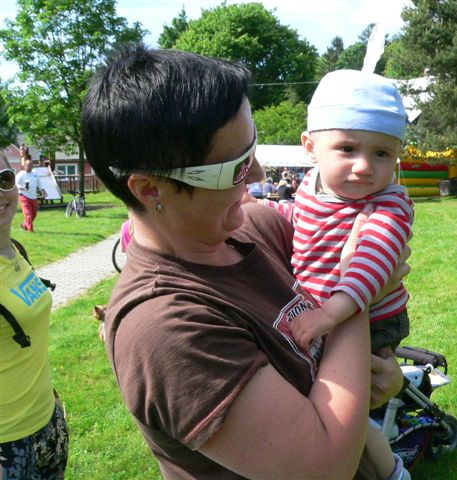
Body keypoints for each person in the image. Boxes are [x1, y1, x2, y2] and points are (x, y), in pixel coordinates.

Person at [81, 44, 406, 480]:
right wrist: (355, 295)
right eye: (235, 167)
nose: (258, 176)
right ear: (151, 189)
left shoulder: (258, 228)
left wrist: (382, 375)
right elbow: (324, 469)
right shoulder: (165, 329)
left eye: (251, 150)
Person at [263, 69, 414, 477]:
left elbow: (372, 262)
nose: (364, 167)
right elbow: (298, 219)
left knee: (346, 408)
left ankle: (392, 472)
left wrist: (330, 313)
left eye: (382, 154)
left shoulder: (387, 207)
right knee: (325, 405)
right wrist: (260, 209)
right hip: (321, 315)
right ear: (311, 148)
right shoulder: (311, 188)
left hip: (370, 318)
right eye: (347, 148)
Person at [0, 152, 69, 479]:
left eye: (3, 179)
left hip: (47, 420)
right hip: (7, 441)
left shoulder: (16, 249)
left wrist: (50, 399)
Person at [15, 158, 44, 232]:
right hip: (24, 196)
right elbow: (16, 184)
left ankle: (24, 225)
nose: (30, 167)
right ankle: (30, 229)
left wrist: (42, 191)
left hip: (33, 196)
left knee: (34, 214)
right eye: (28, 165)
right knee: (28, 214)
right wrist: (22, 188)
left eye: (31, 165)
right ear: (24, 166)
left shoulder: (35, 173)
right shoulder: (20, 174)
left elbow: (39, 183)